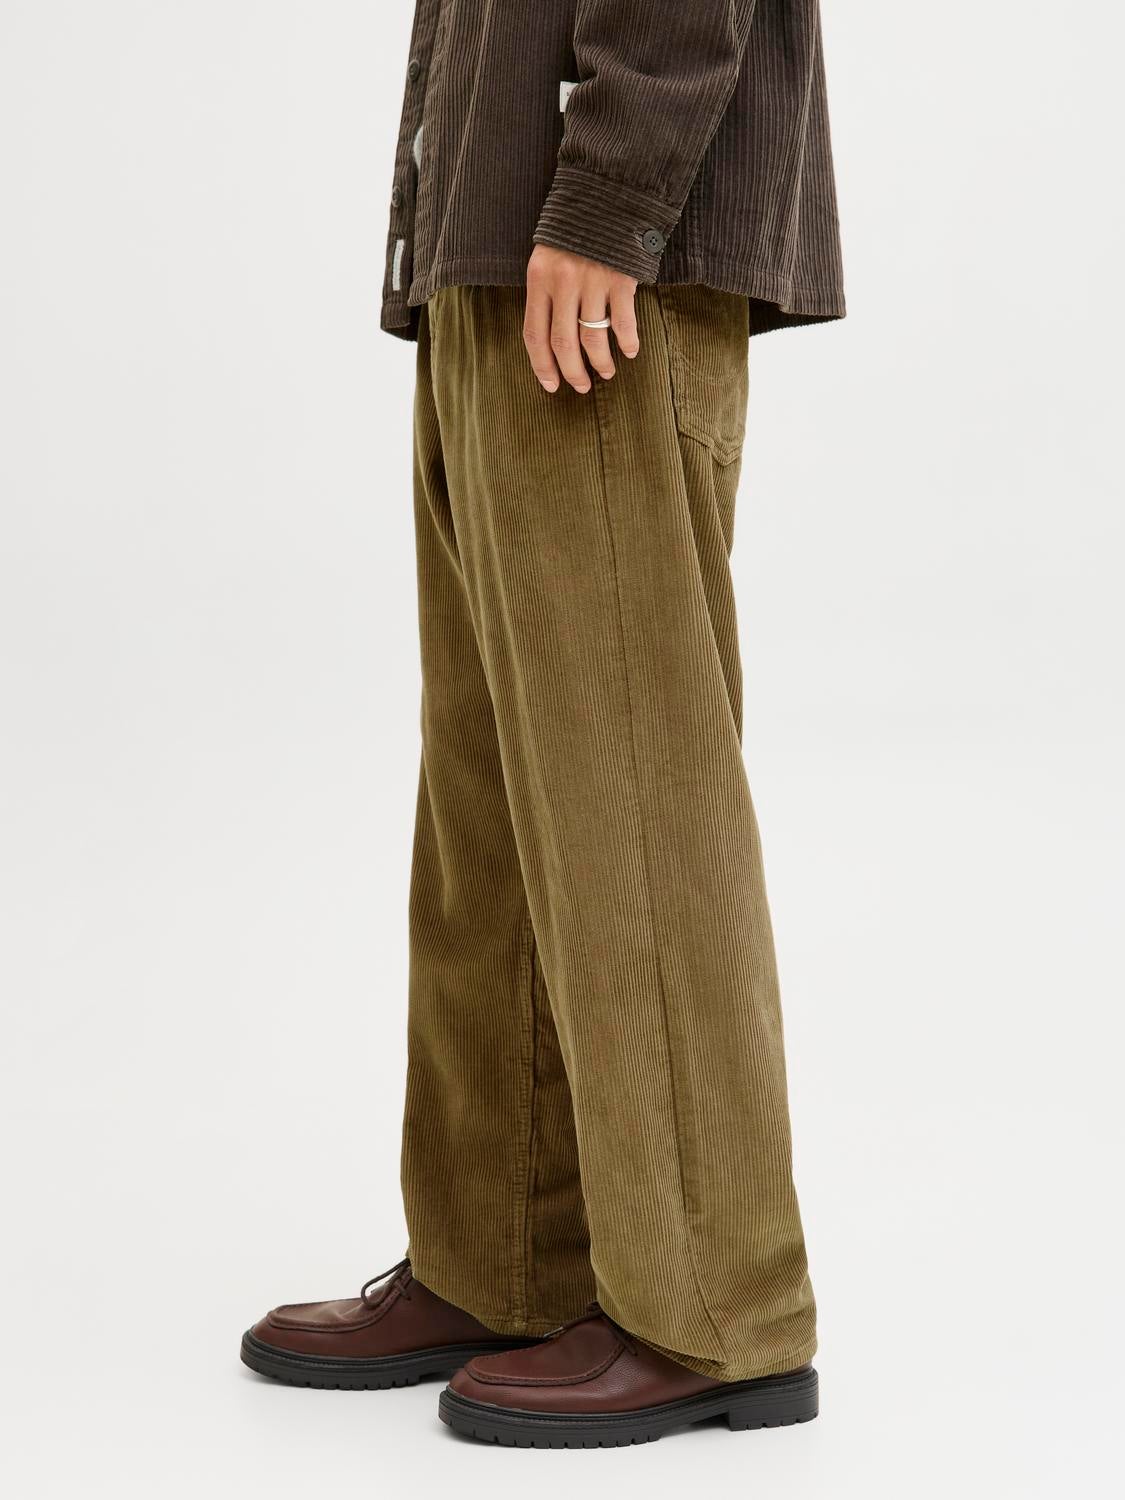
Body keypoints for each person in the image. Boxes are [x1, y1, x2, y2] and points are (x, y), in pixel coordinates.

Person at [241, 0, 844, 1449]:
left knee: (630, 802)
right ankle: (503, 1258)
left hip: (600, 260)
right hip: (495, 248)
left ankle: (715, 1307)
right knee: (495, 806)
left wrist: (606, 199)